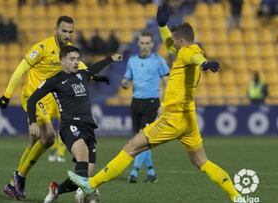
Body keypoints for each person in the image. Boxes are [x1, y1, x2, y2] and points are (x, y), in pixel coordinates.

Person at [67, 4, 244, 202]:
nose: (171, 47)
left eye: (175, 42)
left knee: (131, 147)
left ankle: (90, 183)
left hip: (173, 118)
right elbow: (177, 48)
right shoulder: (187, 49)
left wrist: (204, 63)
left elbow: (195, 57)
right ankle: (237, 197)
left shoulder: (187, 52)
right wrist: (162, 26)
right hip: (188, 118)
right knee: (203, 162)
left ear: (182, 41)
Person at [0, 15, 108, 200]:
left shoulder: (68, 52)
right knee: (48, 137)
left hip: (52, 97)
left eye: (70, 31)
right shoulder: (42, 47)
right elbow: (21, 68)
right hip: (34, 94)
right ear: (55, 29)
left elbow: (81, 67)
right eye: (64, 31)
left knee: (35, 142)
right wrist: (7, 94)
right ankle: (19, 177)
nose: (67, 35)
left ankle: (14, 182)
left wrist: (95, 76)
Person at [26, 45, 122, 202]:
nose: (76, 62)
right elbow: (32, 100)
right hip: (70, 126)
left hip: (88, 126)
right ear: (62, 61)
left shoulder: (82, 75)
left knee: (85, 174)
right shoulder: (54, 81)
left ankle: (56, 189)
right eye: (72, 59)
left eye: (77, 59)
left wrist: (110, 58)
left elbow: (93, 69)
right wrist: (33, 122)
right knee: (82, 157)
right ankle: (86, 193)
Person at [121, 31, 169, 184]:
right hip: (136, 102)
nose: (144, 46)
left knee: (141, 138)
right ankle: (151, 172)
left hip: (152, 103)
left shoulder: (158, 60)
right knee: (139, 139)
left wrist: (165, 103)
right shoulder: (132, 61)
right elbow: (127, 79)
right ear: (138, 44)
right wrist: (124, 83)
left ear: (152, 44)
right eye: (142, 43)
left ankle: (134, 172)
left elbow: (168, 82)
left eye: (147, 43)